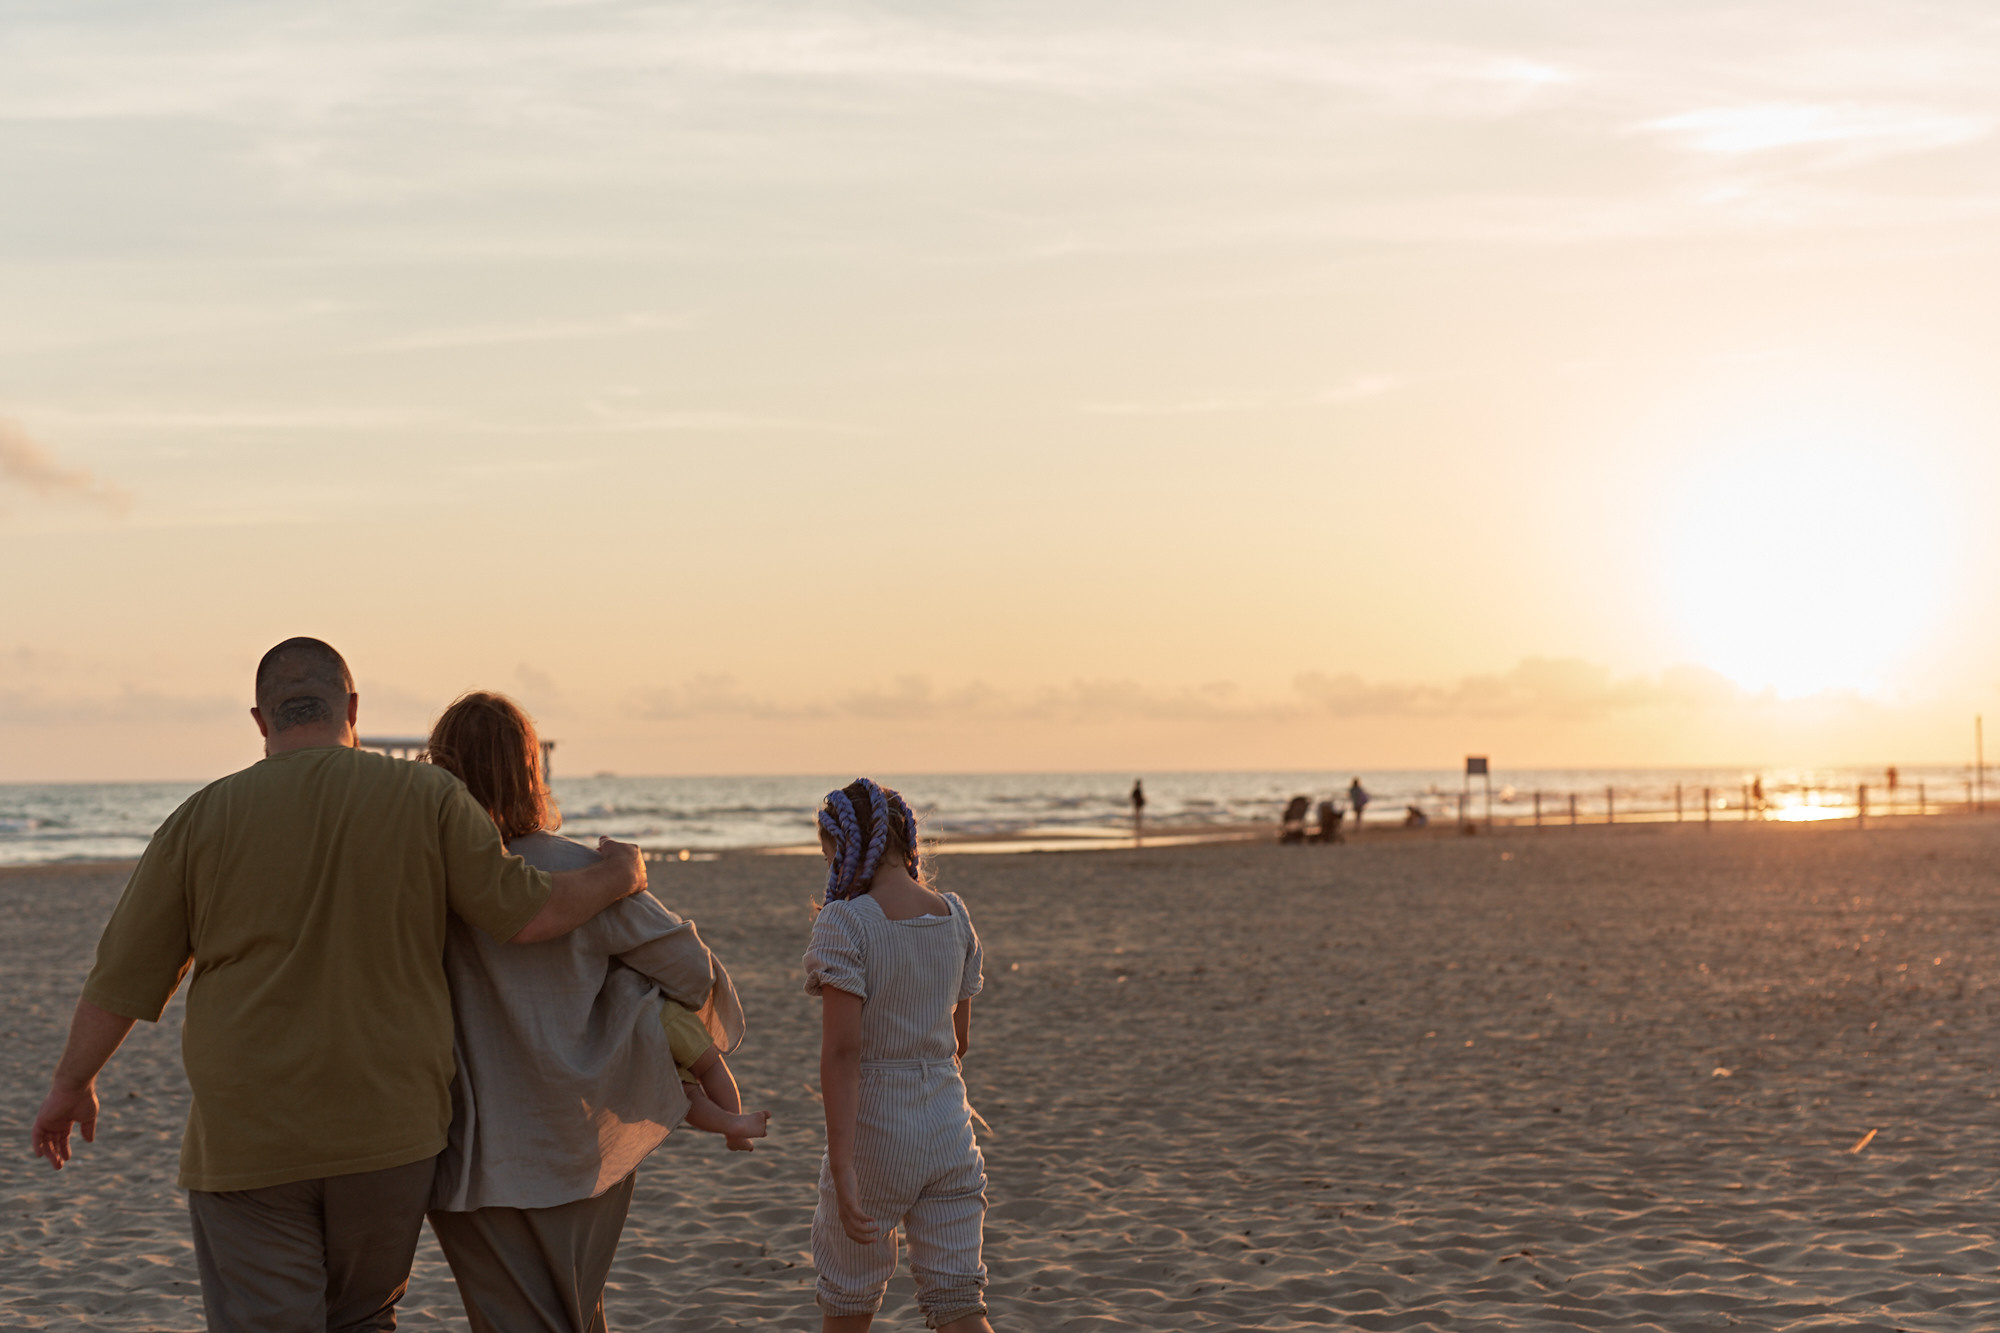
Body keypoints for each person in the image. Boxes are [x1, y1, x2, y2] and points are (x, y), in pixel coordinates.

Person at [29, 638, 648, 1333]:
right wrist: (617, 876)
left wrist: (69, 1084)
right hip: (392, 1135)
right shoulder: (428, 795)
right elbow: (528, 911)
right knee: (362, 1318)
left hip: (250, 1140)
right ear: (351, 708)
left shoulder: (200, 819)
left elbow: (120, 980)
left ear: (261, 721)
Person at [422, 691, 768, 1333]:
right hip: (577, 1143)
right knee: (574, 1315)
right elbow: (696, 975)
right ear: (532, 772)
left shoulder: (425, 882)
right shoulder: (584, 871)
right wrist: (626, 996)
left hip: (467, 1155)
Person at [805, 779, 992, 1333]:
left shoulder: (846, 923)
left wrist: (842, 1163)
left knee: (849, 1300)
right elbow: (959, 1042)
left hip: (876, 1132)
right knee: (958, 1302)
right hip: (948, 1126)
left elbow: (842, 1053)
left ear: (845, 847)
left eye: (828, 856)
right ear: (904, 839)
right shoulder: (955, 916)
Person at [1130, 778, 1146, 843]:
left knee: (1138, 814)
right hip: (1137, 803)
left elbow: (1134, 796)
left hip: (1138, 803)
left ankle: (1138, 824)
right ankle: (1137, 824)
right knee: (1137, 814)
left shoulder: (1138, 789)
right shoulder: (1137, 790)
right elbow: (1133, 796)